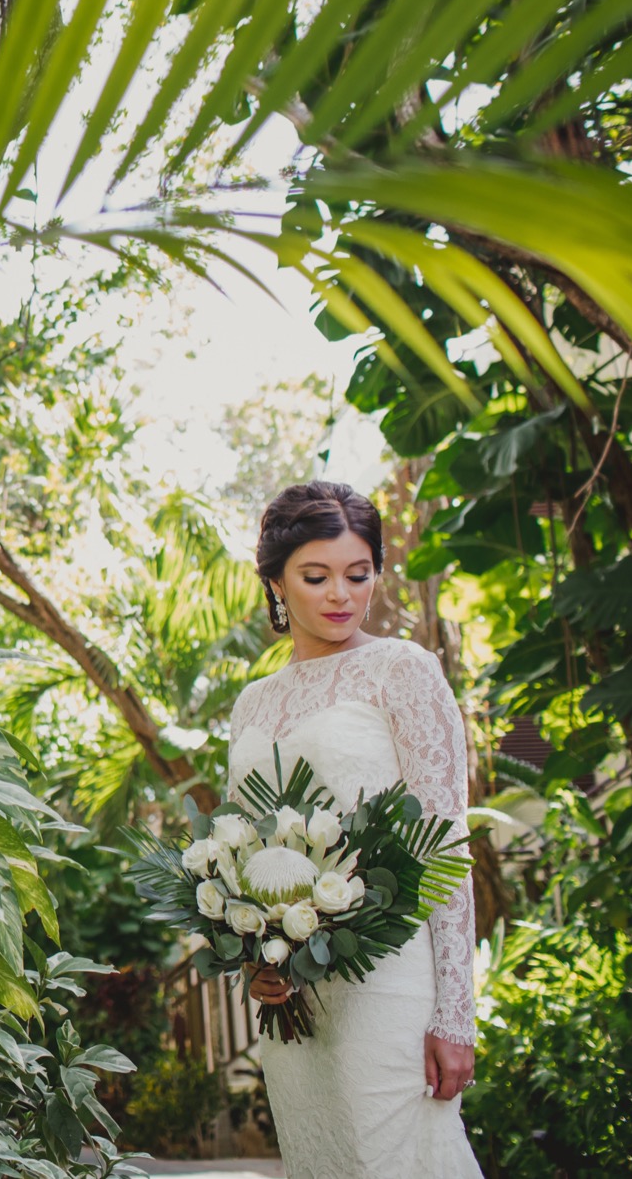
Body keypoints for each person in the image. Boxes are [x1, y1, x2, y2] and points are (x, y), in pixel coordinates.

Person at [225, 481, 483, 1178]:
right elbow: (238, 851)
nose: (340, 593)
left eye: (358, 573)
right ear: (276, 581)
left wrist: (455, 1015)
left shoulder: (403, 670)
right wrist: (256, 958)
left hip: (390, 981)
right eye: (316, 576)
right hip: (294, 999)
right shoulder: (253, 702)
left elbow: (446, 844)